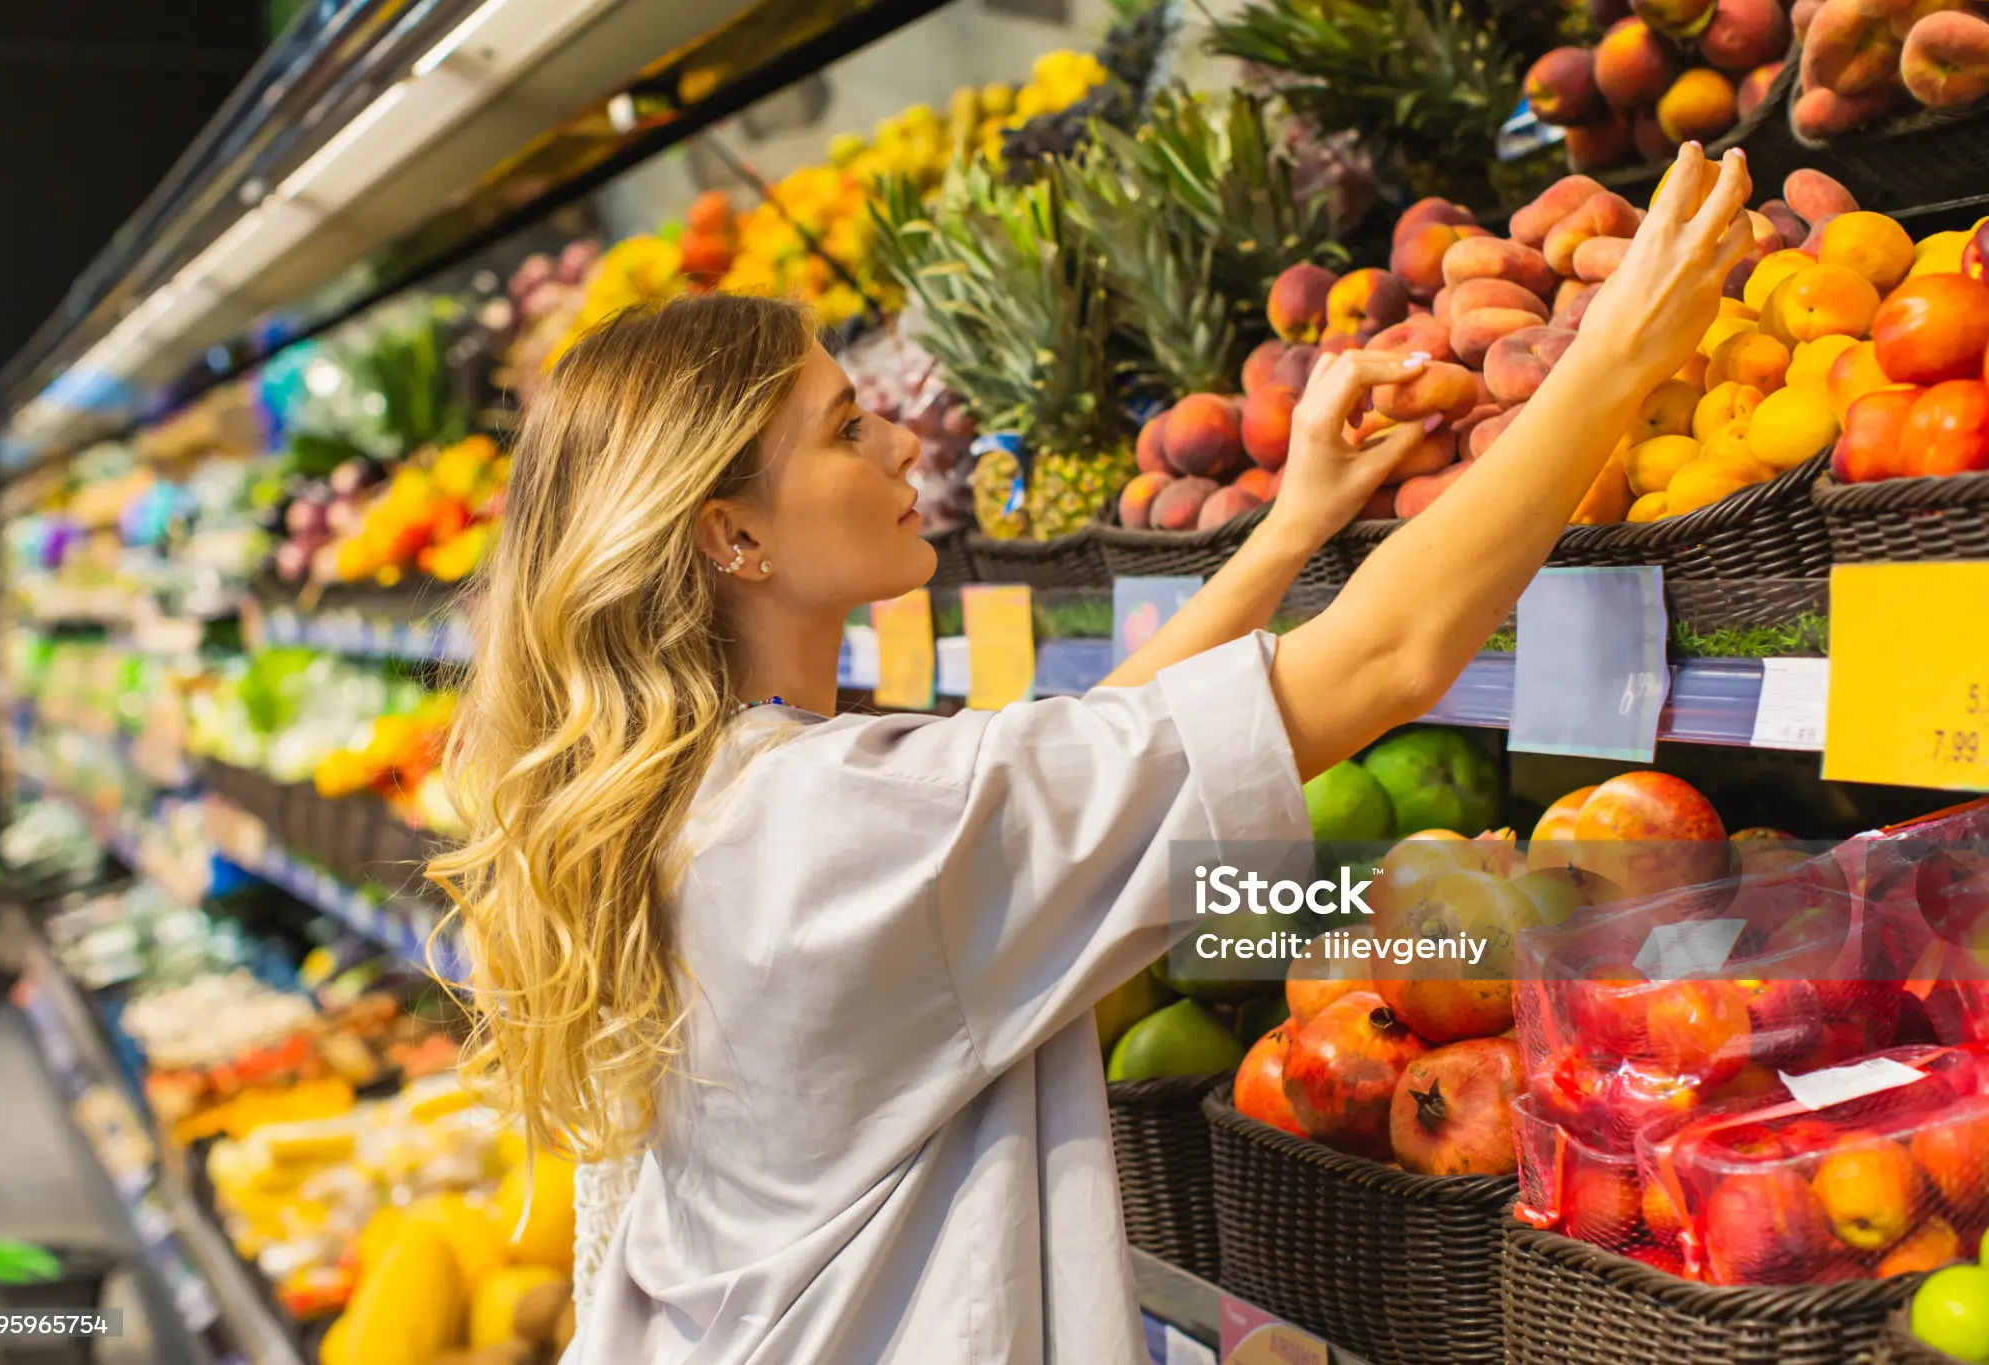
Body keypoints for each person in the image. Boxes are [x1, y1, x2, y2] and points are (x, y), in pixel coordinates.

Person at [430, 143, 1753, 1364]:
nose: (900, 439)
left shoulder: (720, 800)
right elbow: (1384, 663)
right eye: (844, 428)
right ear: (733, 537)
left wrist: (1288, 530)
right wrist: (1612, 362)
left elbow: (1083, 759)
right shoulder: (837, 826)